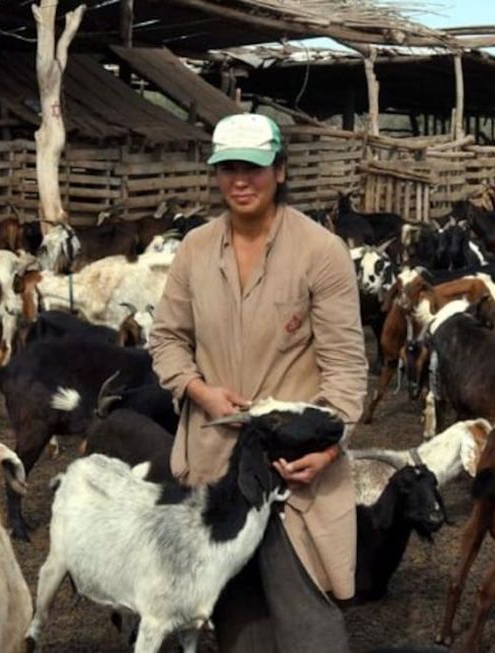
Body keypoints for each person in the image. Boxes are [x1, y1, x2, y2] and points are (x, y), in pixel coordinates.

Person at [149, 113, 367, 653]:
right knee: (237, 623)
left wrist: (331, 447)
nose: (239, 180)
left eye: (253, 167)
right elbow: (167, 340)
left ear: (281, 171)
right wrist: (200, 392)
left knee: (308, 622)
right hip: (216, 466)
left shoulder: (321, 253)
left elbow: (344, 367)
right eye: (228, 168)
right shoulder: (196, 250)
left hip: (291, 469)